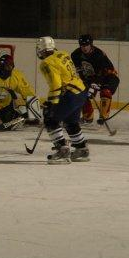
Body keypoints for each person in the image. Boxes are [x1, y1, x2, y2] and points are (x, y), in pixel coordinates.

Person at [36, 36, 92, 164]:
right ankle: (81, 149)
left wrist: (52, 103)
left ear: (42, 49)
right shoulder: (63, 54)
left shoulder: (46, 63)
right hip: (81, 91)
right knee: (70, 121)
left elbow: (56, 85)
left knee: (50, 119)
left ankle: (63, 150)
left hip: (70, 95)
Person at [71, 34, 120, 124]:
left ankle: (103, 117)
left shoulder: (98, 54)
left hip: (109, 77)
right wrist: (87, 85)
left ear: (91, 44)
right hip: (91, 78)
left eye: (86, 45)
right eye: (82, 45)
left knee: (105, 92)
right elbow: (81, 72)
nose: (84, 48)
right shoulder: (75, 55)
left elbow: (103, 72)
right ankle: (87, 117)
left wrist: (94, 85)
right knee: (82, 93)